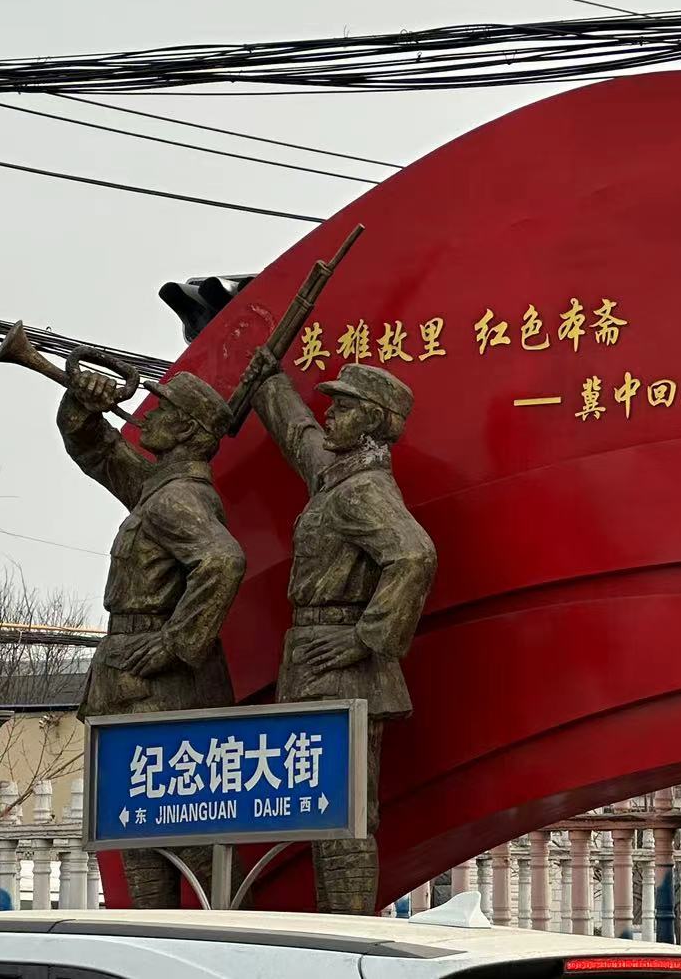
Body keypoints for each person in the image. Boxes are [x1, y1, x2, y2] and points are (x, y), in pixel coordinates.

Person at [241, 349, 437, 913]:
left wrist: (364, 638)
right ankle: (337, 926)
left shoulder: (361, 491)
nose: (330, 415)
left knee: (344, 814)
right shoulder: (336, 476)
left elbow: (414, 555)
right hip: (315, 662)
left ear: (372, 420)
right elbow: (300, 435)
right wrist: (268, 380)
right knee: (325, 812)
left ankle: (348, 932)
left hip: (342, 667)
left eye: (344, 408)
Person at [58, 366, 246, 908]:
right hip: (136, 683)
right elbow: (98, 451)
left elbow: (223, 559)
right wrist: (82, 406)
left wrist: (173, 643)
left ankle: (213, 941)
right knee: (143, 838)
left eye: (163, 409)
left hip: (158, 690)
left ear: (186, 430)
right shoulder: (157, 489)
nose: (149, 415)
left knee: (186, 839)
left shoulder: (174, 499)